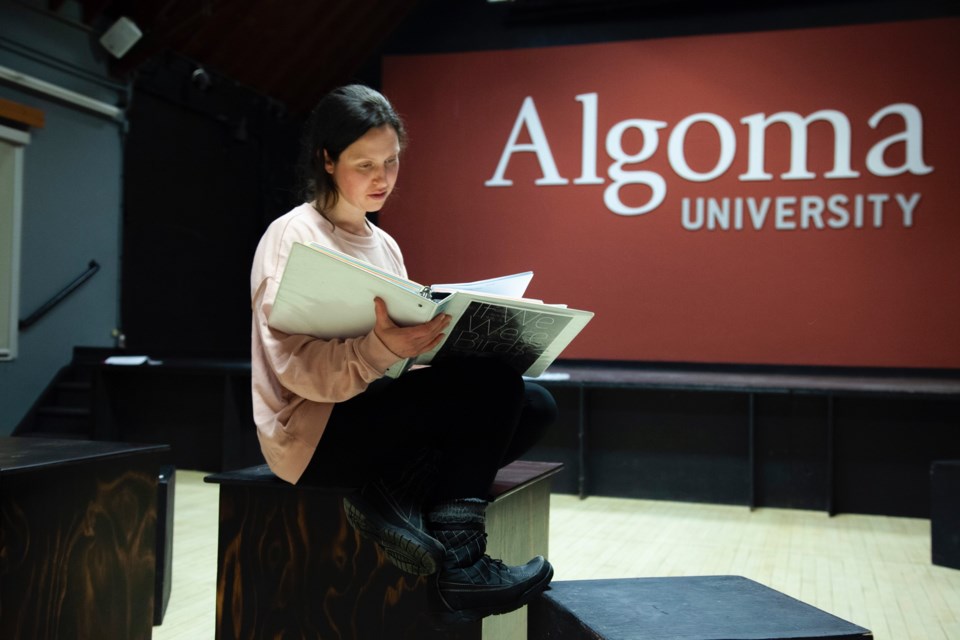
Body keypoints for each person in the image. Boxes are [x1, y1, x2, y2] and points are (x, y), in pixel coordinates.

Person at [249, 84, 558, 624]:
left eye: (391, 162)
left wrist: (439, 343)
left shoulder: (381, 243)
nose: (382, 178)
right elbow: (296, 371)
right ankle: (463, 564)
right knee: (493, 389)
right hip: (312, 435)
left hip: (368, 406)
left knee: (534, 405)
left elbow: (394, 360)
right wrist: (379, 350)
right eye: (364, 164)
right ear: (327, 159)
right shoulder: (293, 235)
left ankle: (394, 496)